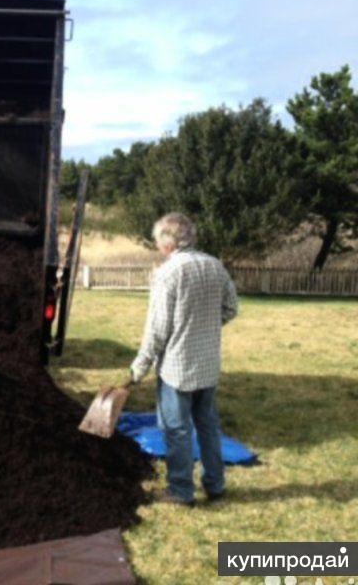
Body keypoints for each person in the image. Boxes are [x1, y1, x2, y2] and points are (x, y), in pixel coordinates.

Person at [130, 213, 238, 507]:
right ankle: (215, 485)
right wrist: (204, 328)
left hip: (177, 369)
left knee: (176, 431)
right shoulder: (214, 266)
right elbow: (231, 308)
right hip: (208, 366)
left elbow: (158, 329)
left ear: (168, 241)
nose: (156, 245)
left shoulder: (169, 272)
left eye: (157, 240)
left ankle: (180, 491)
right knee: (208, 426)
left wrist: (139, 367)